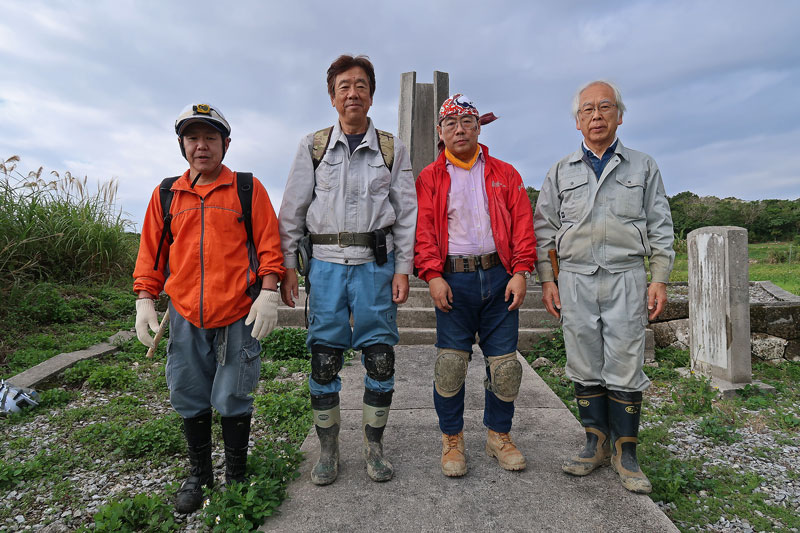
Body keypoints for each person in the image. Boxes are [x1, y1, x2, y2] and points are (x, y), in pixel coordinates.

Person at [133, 103, 284, 513]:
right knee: (187, 391)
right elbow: (151, 254)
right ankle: (199, 474)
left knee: (235, 393)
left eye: (211, 138)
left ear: (226, 144)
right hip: (184, 313)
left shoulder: (247, 189)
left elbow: (271, 246)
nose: (202, 146)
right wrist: (145, 298)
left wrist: (269, 291)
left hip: (239, 311)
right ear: (182, 144)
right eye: (193, 138)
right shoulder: (167, 194)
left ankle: (236, 475)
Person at [278, 55, 416, 485]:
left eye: (360, 85)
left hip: (376, 267)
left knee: (379, 359)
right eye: (344, 86)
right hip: (325, 268)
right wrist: (287, 267)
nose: (352, 93)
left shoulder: (392, 148)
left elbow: (406, 212)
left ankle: (374, 448)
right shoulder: (313, 145)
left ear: (372, 95)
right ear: (333, 95)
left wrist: (403, 269)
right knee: (323, 360)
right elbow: (293, 210)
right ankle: (329, 450)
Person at [534, 81, 675, 493]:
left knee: (627, 359)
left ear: (619, 115)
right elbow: (544, 230)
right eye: (588, 110)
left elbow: (661, 227)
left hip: (626, 275)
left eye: (605, 108)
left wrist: (660, 278)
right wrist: (547, 280)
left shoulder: (642, 166)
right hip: (575, 277)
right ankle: (594, 442)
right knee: (582, 358)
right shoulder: (560, 171)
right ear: (577, 121)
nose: (596, 116)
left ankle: (626, 451)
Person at [415, 94, 537, 477]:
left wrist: (521, 270)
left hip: (499, 277)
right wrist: (432, 276)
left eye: (467, 122)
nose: (460, 129)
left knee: (505, 367)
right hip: (453, 280)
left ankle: (498, 435)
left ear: (479, 126)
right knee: (450, 366)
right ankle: (452, 439)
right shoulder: (430, 178)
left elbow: (522, 225)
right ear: (440, 132)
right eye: (451, 124)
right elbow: (423, 233)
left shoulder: (505, 173)